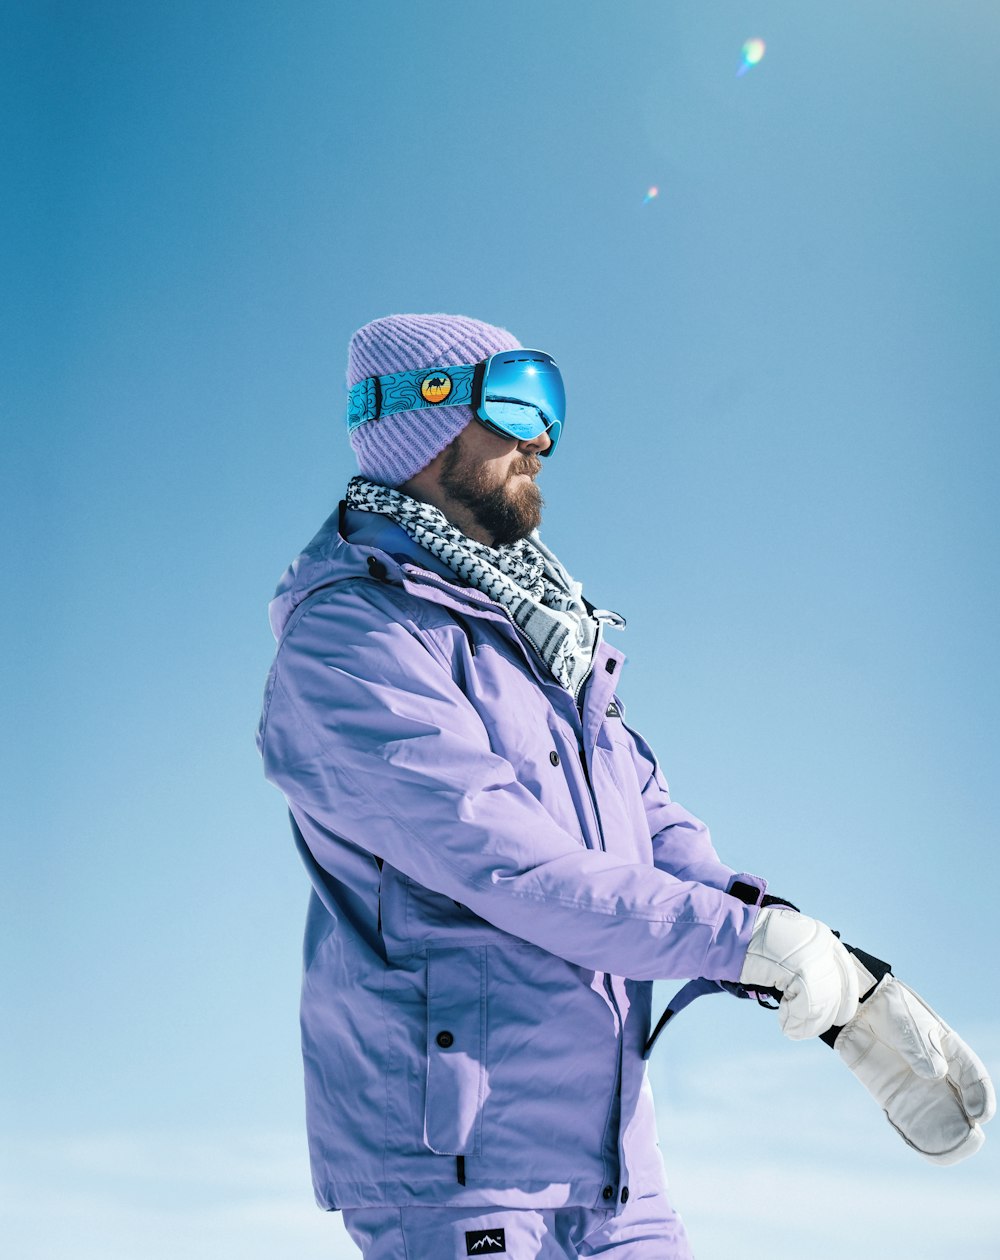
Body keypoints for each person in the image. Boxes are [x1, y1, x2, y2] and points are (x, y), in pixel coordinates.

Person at [256, 312, 993, 1259]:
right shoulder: (352, 641)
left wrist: (820, 968)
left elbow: (659, 835)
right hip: (458, 1178)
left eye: (551, 407)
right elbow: (506, 864)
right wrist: (744, 943)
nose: (542, 438)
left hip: (615, 1171)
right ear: (424, 416)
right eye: (517, 402)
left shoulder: (546, 642)